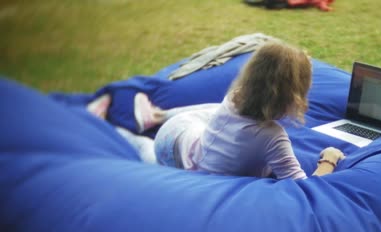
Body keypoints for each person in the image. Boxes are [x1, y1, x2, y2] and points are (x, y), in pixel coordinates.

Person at [88, 41, 345, 179]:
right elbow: (305, 189)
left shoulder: (235, 98)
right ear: (295, 96)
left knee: (210, 111)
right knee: (144, 149)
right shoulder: (272, 137)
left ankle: (153, 117)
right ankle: (126, 123)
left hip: (178, 137)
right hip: (179, 148)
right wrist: (328, 159)